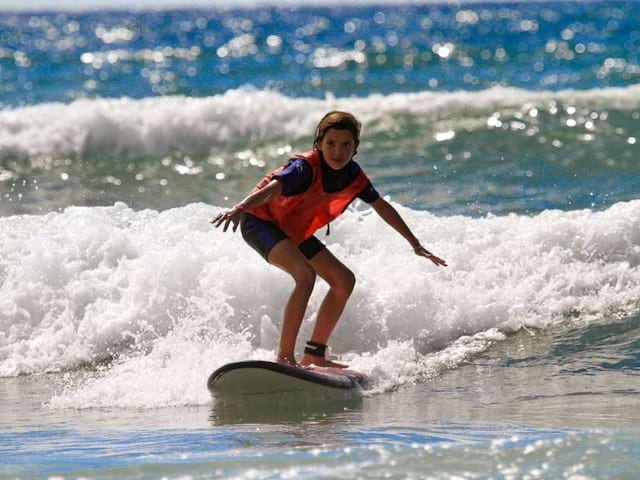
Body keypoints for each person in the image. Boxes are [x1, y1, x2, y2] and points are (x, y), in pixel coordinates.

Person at [211, 111, 447, 369]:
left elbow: (380, 206)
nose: (338, 151)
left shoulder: (353, 176)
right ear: (319, 144)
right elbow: (272, 189)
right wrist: (239, 207)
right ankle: (285, 358)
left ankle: (314, 354)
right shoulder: (302, 169)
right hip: (259, 221)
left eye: (346, 144)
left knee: (344, 280)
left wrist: (415, 244)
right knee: (305, 275)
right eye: (331, 144)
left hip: (292, 229)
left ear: (355, 147)